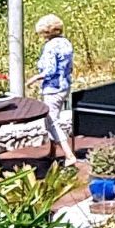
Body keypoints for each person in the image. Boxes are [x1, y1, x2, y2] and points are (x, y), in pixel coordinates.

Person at [29, 13, 75, 164]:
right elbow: (70, 66)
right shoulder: (66, 43)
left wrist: (35, 78)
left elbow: (50, 70)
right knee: (51, 119)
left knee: (51, 121)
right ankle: (52, 151)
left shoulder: (49, 47)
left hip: (52, 88)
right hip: (65, 86)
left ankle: (69, 155)